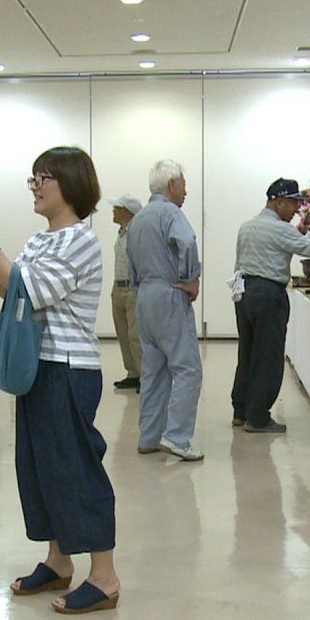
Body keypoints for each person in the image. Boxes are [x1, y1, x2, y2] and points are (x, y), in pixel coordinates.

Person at [0, 146, 120, 615]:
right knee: (39, 467)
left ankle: (105, 577)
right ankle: (58, 560)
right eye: (32, 179)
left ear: (69, 184)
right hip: (38, 364)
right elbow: (9, 289)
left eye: (41, 178)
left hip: (67, 367)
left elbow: (35, 291)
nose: (35, 187)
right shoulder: (40, 239)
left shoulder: (79, 240)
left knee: (74, 468)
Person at [230, 177, 310, 433]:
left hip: (244, 294)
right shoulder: (281, 230)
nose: (297, 209)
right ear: (279, 203)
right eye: (293, 203)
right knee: (268, 355)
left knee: (248, 352)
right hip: (268, 295)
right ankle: (258, 417)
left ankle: (241, 410)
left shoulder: (247, 226)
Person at [126, 159, 204, 462]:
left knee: (153, 370)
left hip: (145, 295)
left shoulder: (139, 219)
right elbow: (186, 241)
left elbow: (129, 257)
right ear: (172, 185)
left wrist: (141, 289)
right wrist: (191, 278)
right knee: (187, 369)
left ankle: (149, 436)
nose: (186, 191)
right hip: (170, 293)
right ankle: (177, 437)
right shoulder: (172, 213)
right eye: (183, 184)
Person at [107, 194, 143, 392]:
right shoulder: (121, 232)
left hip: (133, 288)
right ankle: (133, 373)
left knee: (135, 334)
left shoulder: (137, 234)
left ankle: (145, 376)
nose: (113, 210)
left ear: (127, 212)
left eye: (117, 207)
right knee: (123, 332)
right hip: (118, 287)